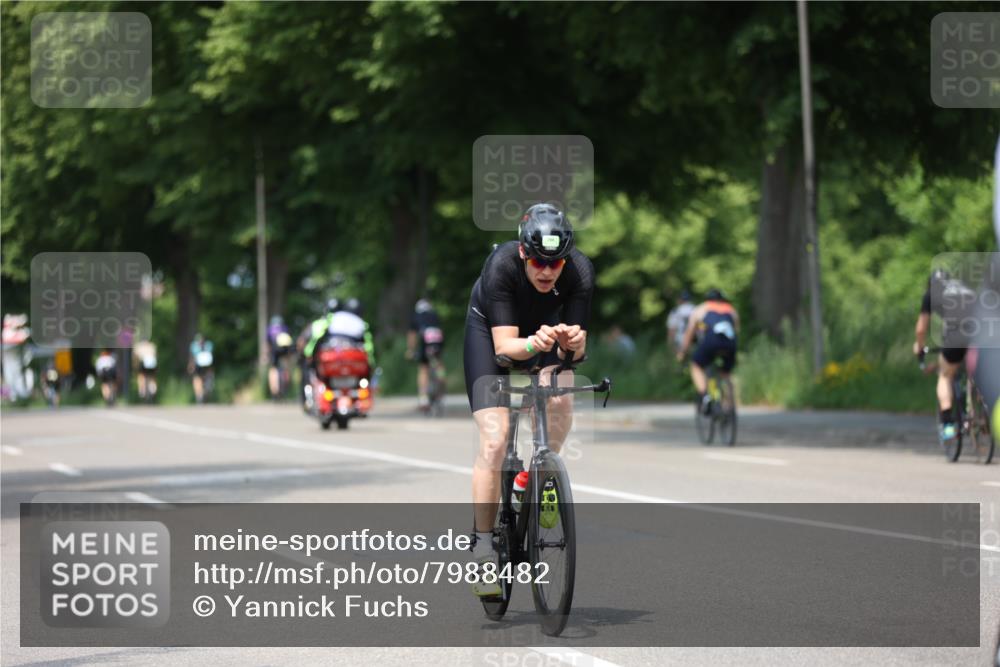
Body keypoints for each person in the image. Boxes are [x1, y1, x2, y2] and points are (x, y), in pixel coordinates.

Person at [463, 203, 593, 597]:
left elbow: (572, 351)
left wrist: (575, 345)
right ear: (523, 252)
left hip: (545, 334)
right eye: (537, 261)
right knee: (496, 439)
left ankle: (538, 476)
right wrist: (532, 344)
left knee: (561, 401)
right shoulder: (501, 265)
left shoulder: (581, 272)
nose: (546, 270)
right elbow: (505, 348)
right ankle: (483, 546)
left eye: (555, 264)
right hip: (491, 333)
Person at [913, 269, 977, 443]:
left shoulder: (931, 293)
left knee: (945, 375)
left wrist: (919, 348)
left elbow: (921, 329)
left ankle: (948, 427)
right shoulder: (964, 289)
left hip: (956, 334)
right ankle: (983, 412)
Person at [677, 288, 739, 414]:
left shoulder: (701, 308)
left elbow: (689, 332)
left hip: (710, 342)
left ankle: (705, 395)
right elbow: (737, 330)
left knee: (696, 365)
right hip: (730, 343)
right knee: (726, 373)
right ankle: (730, 407)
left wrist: (682, 351)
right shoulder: (731, 310)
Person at [406, 298, 445, 411]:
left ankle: (423, 399)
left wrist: (411, 350)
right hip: (438, 340)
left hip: (425, 340)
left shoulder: (416, 316)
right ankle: (442, 378)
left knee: (423, 368)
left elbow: (412, 336)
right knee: (438, 364)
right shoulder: (434, 315)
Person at [267, 315, 294, 399]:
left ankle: (274, 390)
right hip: (285, 350)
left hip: (274, 351)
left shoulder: (269, 329)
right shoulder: (285, 328)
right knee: (286, 367)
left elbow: (268, 344)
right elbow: (289, 342)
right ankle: (286, 384)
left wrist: (266, 355)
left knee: (273, 370)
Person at [188, 333, 215, 404]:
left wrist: (191, 366)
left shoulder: (204, 346)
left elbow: (210, 358)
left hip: (204, 366)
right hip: (200, 366)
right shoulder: (207, 346)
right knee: (198, 379)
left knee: (198, 379)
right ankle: (200, 395)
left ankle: (200, 395)